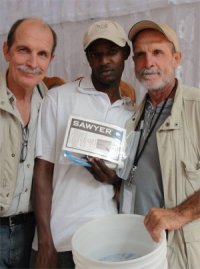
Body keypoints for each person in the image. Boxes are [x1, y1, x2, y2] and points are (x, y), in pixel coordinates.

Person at [30, 20, 133, 268]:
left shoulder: (133, 114)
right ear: (87, 57)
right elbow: (42, 170)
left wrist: (113, 180)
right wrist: (45, 242)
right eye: (96, 54)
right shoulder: (59, 98)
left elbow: (128, 184)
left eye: (112, 52)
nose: (104, 61)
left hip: (108, 245)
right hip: (60, 241)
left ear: (126, 54)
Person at [120, 20, 200, 269]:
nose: (148, 63)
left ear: (176, 58)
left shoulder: (196, 107)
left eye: (157, 52)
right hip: (136, 250)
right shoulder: (132, 117)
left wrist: (179, 214)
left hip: (180, 255)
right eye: (140, 55)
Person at [0, 18, 56, 268]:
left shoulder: (52, 104)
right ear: (6, 51)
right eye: (24, 50)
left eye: (42, 54)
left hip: (32, 233)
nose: (33, 63)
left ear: (50, 60)